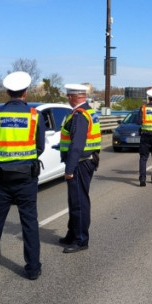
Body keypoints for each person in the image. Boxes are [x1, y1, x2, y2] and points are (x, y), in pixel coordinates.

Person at [0, 71, 44, 280]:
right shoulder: (35, 115)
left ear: (8, 92)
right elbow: (40, 147)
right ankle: (33, 268)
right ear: (25, 93)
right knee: (29, 223)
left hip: (1, 179)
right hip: (26, 178)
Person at [58, 83, 101, 253]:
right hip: (85, 161)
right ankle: (72, 233)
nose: (68, 99)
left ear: (73, 97)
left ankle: (81, 239)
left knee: (79, 202)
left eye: (69, 96)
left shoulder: (79, 115)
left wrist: (69, 169)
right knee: (74, 200)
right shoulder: (88, 111)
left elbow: (77, 145)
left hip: (80, 163)